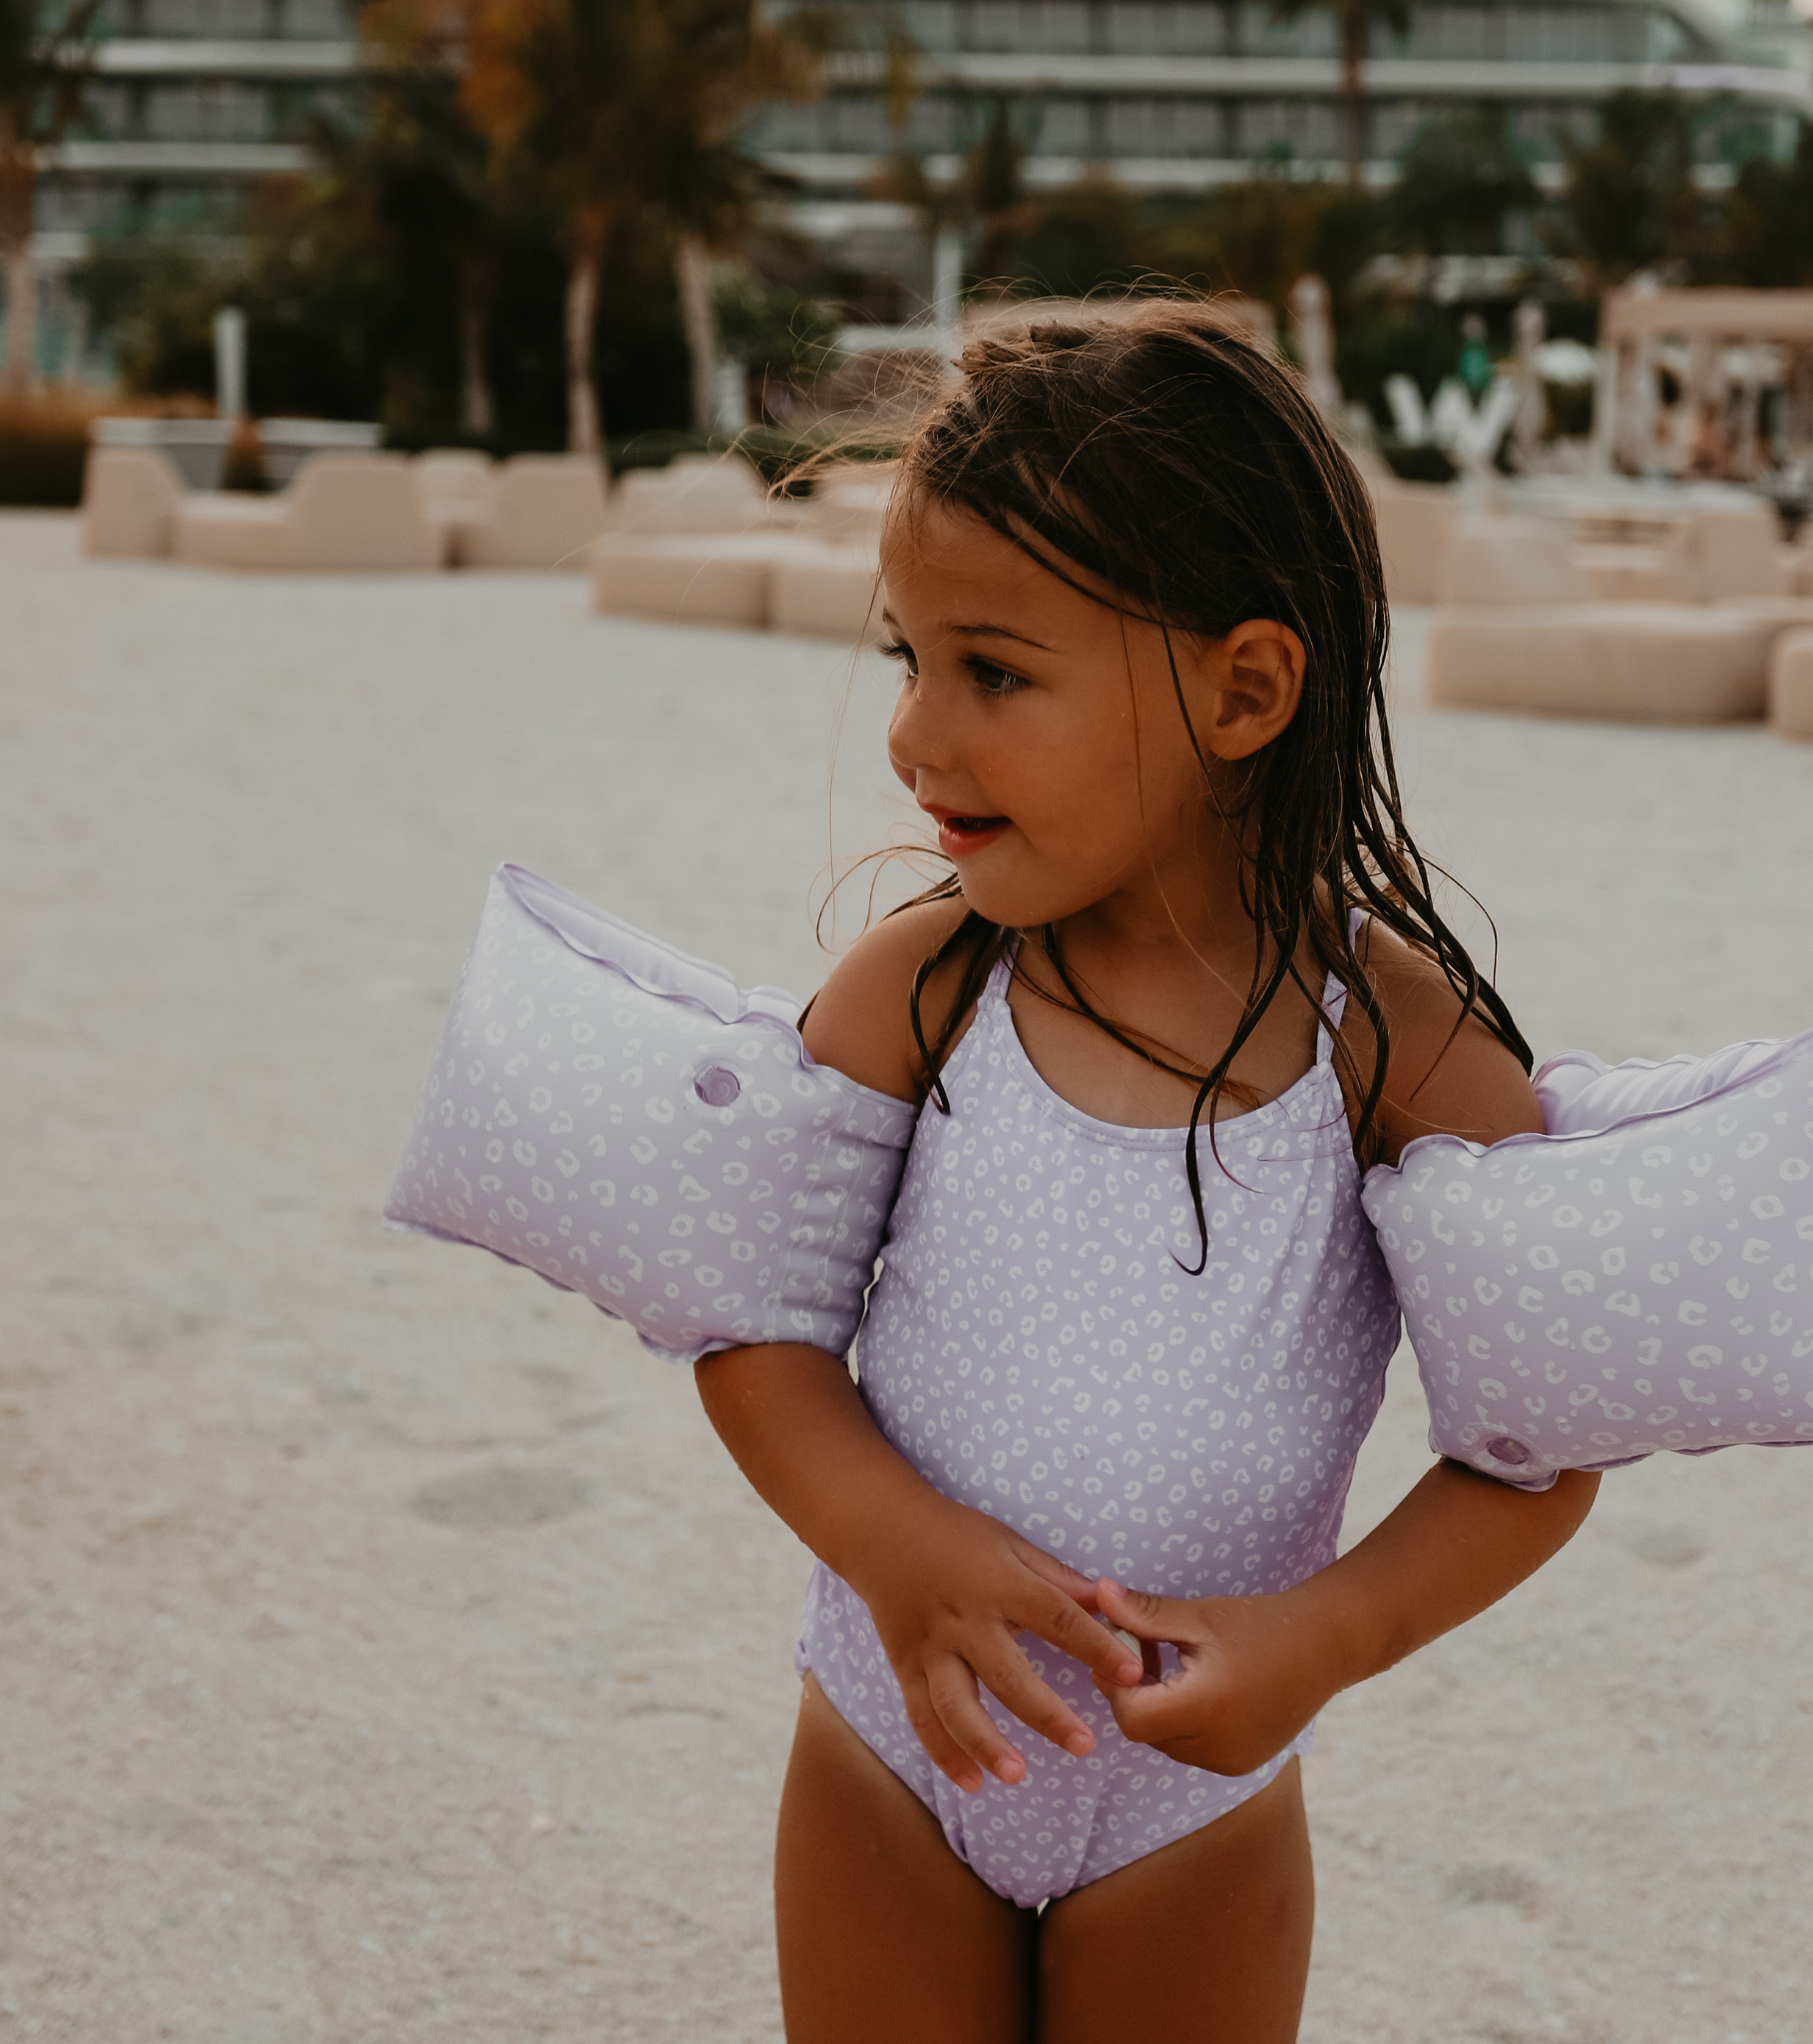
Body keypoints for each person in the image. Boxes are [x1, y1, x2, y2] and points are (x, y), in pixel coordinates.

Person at [694, 304, 1600, 2044]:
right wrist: (892, 1545)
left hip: (1192, 1808)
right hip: (893, 1745)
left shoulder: (1389, 1047)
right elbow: (753, 1331)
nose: (912, 734)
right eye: (907, 657)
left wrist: (1328, 1637)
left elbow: (1538, 1449)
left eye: (992, 672)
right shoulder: (924, 990)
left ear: (1243, 690)